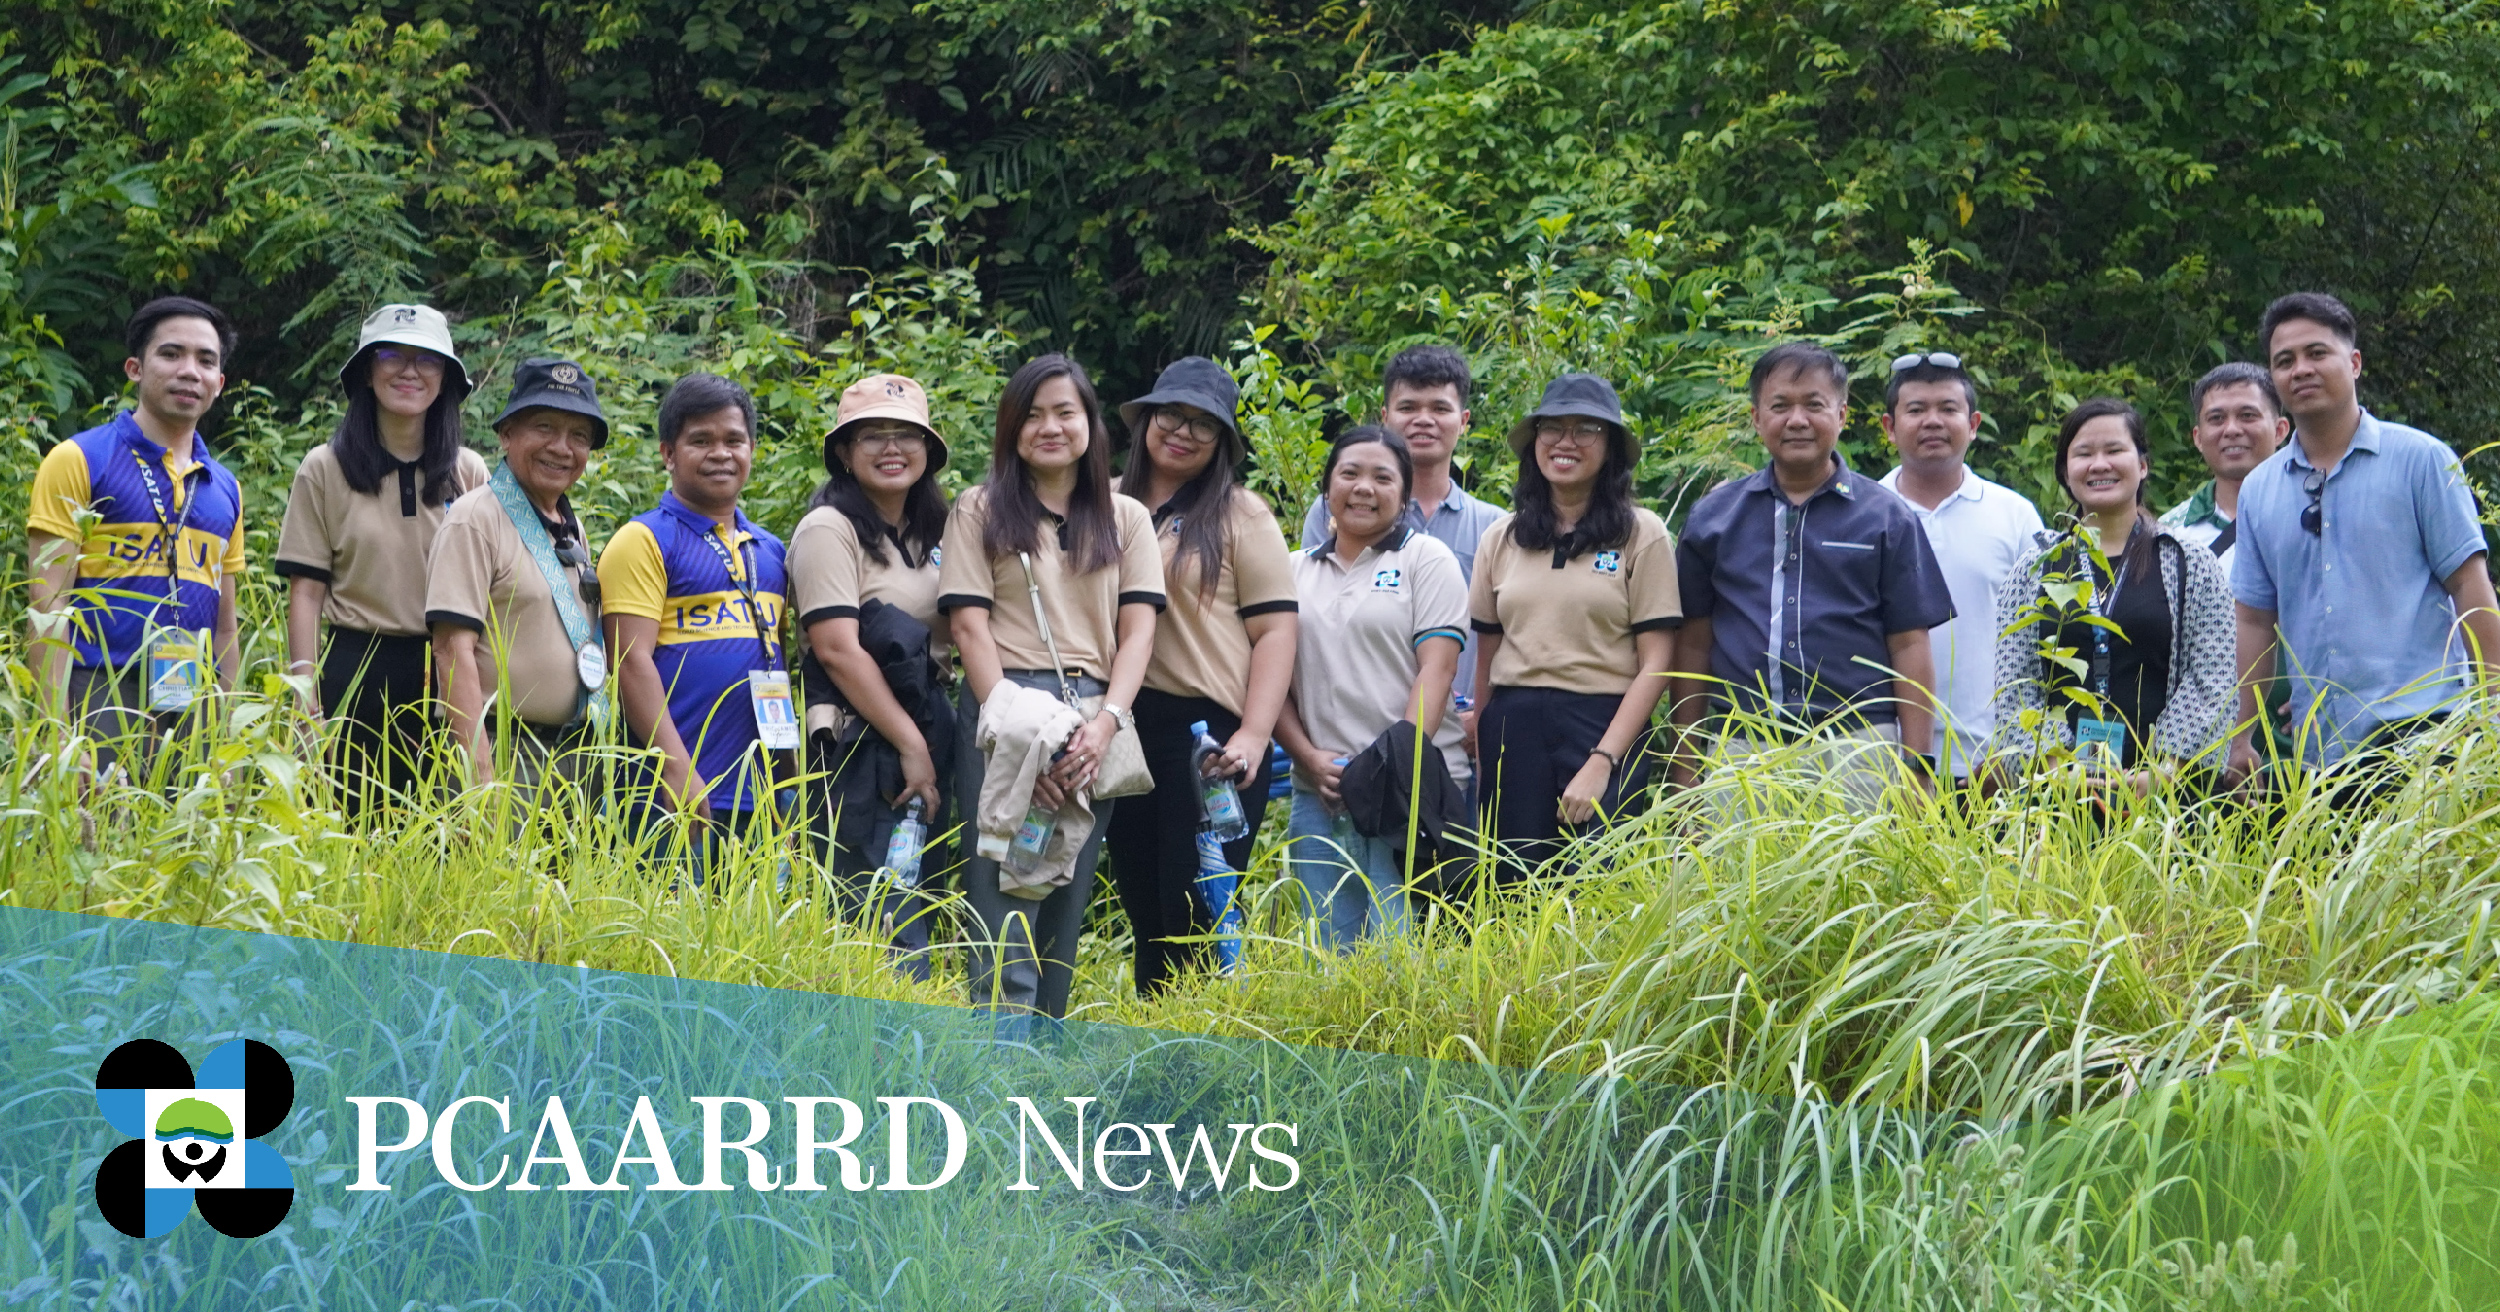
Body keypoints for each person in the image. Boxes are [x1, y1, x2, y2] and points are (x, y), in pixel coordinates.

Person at [938, 354, 1163, 1027]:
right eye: (1032, 414)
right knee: (1003, 884)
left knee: (1066, 891)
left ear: (1090, 423)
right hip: (1006, 708)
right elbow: (969, 628)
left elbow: (1139, 633)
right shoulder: (978, 510)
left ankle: (1048, 1060)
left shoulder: (1126, 519)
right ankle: (998, 1061)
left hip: (1095, 714)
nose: (1049, 427)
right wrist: (1014, 731)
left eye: (1065, 411)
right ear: (1011, 428)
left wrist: (1105, 727)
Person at [2226, 292, 2500, 786]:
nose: (2301, 369)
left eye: (2317, 353)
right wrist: (2240, 735)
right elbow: (2255, 620)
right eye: (2284, 361)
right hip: (2319, 752)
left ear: (2353, 363)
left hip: (2430, 736)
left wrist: (2494, 711)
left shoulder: (2421, 460)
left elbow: (2469, 587)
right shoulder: (2259, 491)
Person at [1671, 342, 1953, 807]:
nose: (1797, 420)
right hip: (1742, 749)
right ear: (1757, 419)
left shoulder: (1886, 518)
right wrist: (1685, 769)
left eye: (1814, 405)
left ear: (1842, 415)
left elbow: (1910, 644)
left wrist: (1917, 768)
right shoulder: (1714, 518)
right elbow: (1694, 643)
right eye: (1780, 406)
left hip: (1858, 749)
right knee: (1739, 881)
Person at [1102, 358, 1297, 994]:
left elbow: (1276, 632)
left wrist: (1253, 735)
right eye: (1171, 415)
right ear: (1146, 419)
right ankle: (1155, 1067)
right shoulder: (1101, 505)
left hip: (1209, 740)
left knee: (1194, 910)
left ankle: (1200, 1065)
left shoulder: (1241, 515)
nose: (1182, 432)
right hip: (1124, 728)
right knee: (1144, 908)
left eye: (1203, 425)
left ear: (1222, 442)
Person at [275, 304, 490, 813]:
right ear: (367, 371)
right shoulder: (325, 469)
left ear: (446, 379)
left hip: (448, 667)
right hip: (355, 668)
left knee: (446, 827)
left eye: (428, 359)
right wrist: (305, 702)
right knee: (349, 826)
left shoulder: (469, 471)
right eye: (392, 354)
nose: (409, 371)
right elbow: (306, 591)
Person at [1467, 374, 1680, 882]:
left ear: (1610, 448)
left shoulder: (1641, 533)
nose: (1566, 442)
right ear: (1534, 440)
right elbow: (1487, 655)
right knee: (1510, 890)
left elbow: (1657, 662)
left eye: (1586, 428)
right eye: (1552, 428)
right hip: (1513, 728)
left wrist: (1604, 759)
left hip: (1604, 721)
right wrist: (1480, 741)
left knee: (1599, 886)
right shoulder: (1502, 537)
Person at [26, 297, 245, 770]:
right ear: (134, 368)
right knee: (101, 837)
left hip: (193, 694)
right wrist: (55, 731)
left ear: (220, 383)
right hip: (96, 688)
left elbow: (225, 626)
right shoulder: (78, 460)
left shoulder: (224, 488)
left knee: (186, 843)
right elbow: (48, 608)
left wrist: (225, 739)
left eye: (206, 360)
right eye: (171, 354)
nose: (190, 371)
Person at [1276, 426, 1469, 947]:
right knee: (1330, 955)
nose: (1364, 487)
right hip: (1319, 791)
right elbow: (1269, 682)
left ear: (1404, 496)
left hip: (1410, 794)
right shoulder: (1292, 570)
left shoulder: (1425, 560)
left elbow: (1438, 669)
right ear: (1326, 490)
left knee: (1406, 952)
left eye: (1383, 477)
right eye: (1350, 474)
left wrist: (1390, 769)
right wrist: (1309, 759)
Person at [789, 374, 953, 978]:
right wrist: (911, 745)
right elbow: (837, 649)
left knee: (916, 890)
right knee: (868, 904)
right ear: (844, 452)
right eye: (874, 436)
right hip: (860, 743)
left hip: (928, 722)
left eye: (907, 435)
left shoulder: (932, 533)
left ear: (928, 451)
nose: (892, 448)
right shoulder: (830, 528)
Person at [1986, 400, 2236, 791]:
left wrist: (2162, 773)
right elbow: (2015, 682)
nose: (2099, 464)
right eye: (2083, 454)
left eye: (2114, 450)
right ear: (2066, 473)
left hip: (2168, 801)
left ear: (2142, 465)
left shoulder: (2189, 562)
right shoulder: (2034, 568)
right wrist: (2055, 770)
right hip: (2056, 799)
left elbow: (2213, 680)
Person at [599, 374, 792, 866]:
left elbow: (777, 667)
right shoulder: (643, 540)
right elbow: (629, 662)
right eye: (700, 441)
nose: (721, 453)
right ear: (668, 453)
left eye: (734, 440)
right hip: (672, 794)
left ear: (752, 448)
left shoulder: (771, 552)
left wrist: (788, 787)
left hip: (762, 799)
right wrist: (675, 769)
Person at [426, 358, 612, 790]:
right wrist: (480, 779)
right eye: (544, 427)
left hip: (571, 759)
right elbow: (452, 651)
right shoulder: (475, 519)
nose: (562, 447)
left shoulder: (570, 527)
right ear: (507, 434)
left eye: (578, 436)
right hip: (503, 756)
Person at [1298, 345, 1505, 731]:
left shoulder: (1494, 527)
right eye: (1408, 407)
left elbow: (1507, 635)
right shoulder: (1334, 512)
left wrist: (1483, 718)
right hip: (1351, 734)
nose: (1423, 420)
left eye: (1440, 409)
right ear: (1385, 417)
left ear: (1464, 421)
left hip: (1463, 735)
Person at [1876, 351, 2042, 779]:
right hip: (1880, 760)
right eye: (1916, 410)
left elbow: (2046, 638)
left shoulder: (2015, 515)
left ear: (1973, 425)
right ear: (1889, 428)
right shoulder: (1862, 514)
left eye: (1948, 409)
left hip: (1994, 764)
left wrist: (2017, 748)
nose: (1933, 421)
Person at [2161, 362, 2288, 576]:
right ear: (2198, 438)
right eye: (2216, 419)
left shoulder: (2314, 514)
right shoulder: (2169, 533)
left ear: (2279, 430)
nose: (2231, 430)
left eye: (2247, 415)